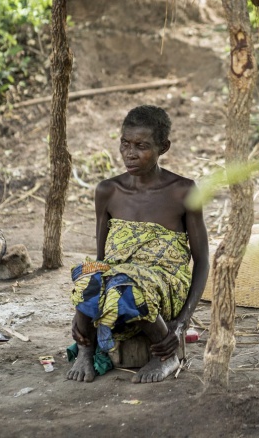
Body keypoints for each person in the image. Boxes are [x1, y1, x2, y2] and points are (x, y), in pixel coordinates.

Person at [67, 105, 209, 384]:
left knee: (126, 286)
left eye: (141, 146)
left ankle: (166, 355)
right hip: (120, 278)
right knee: (86, 274)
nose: (129, 153)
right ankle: (86, 348)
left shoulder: (183, 191)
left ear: (163, 147)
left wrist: (183, 321)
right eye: (125, 143)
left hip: (166, 284)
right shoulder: (108, 191)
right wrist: (82, 307)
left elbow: (202, 260)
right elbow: (102, 258)